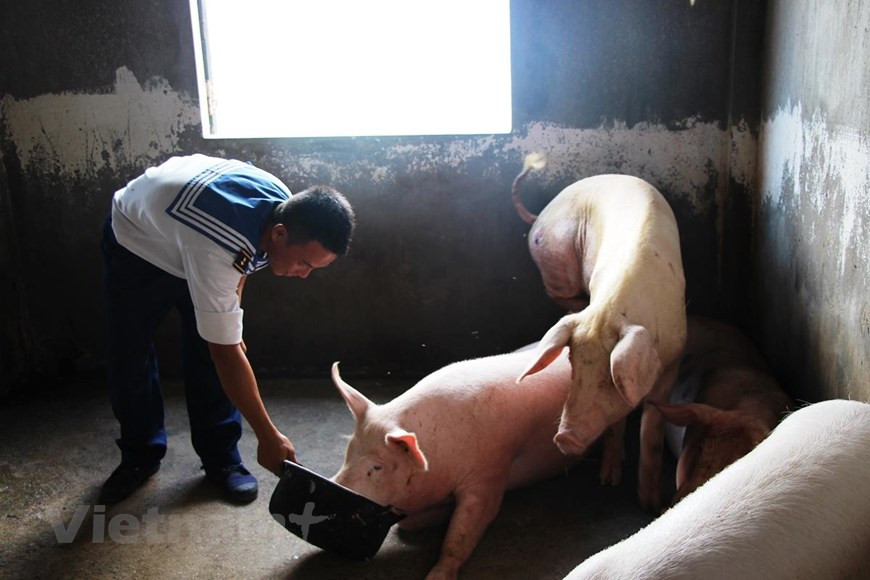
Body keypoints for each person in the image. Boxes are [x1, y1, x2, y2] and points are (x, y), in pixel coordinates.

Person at [99, 154, 355, 504]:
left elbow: (242, 264)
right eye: (303, 263)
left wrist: (231, 314)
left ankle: (221, 458)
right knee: (130, 354)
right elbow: (225, 348)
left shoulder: (282, 206)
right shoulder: (218, 245)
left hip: (189, 231)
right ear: (279, 234)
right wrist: (268, 437)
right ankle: (139, 457)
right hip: (138, 242)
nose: (304, 274)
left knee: (214, 348)